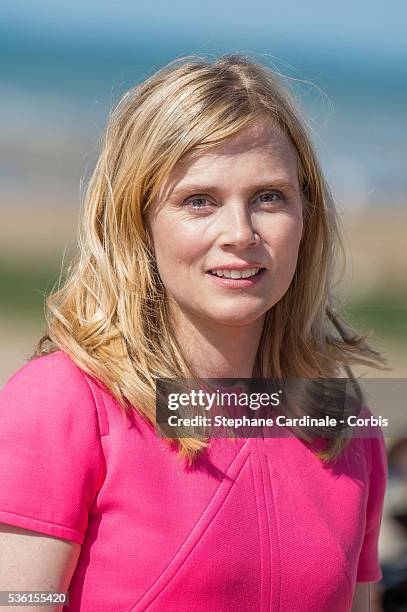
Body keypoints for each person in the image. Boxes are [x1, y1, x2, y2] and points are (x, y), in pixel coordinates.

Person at [0, 55, 388, 611]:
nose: (239, 233)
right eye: (198, 201)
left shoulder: (342, 425)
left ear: (307, 214)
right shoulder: (61, 404)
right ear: (138, 221)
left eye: (268, 197)